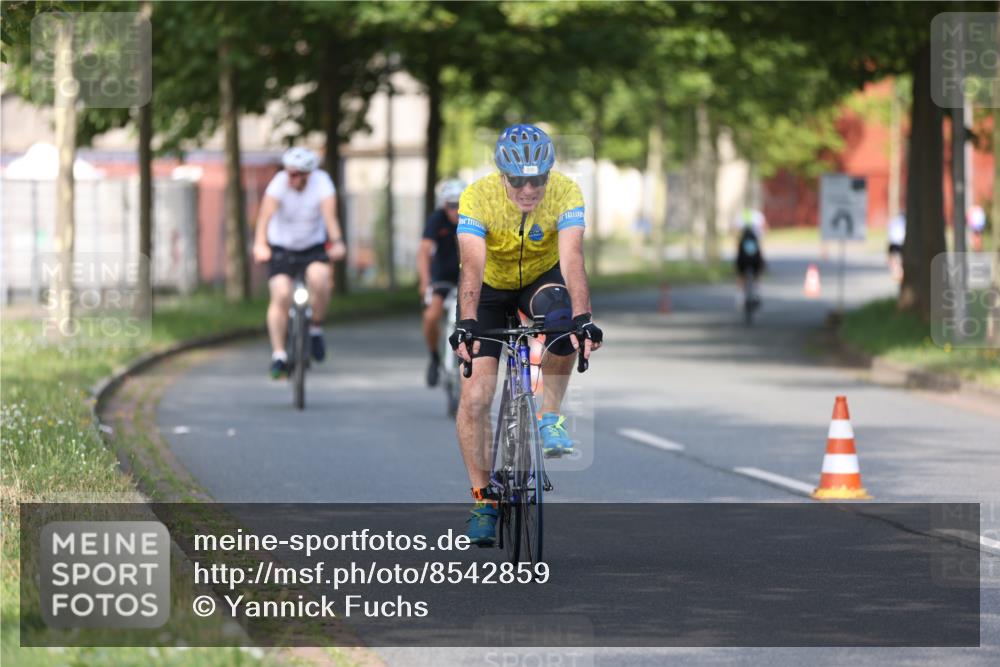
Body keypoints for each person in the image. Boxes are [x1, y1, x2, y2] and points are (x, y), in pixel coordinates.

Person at [448, 124, 603, 545]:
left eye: (538, 179)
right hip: (490, 289)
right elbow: (472, 266)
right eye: (518, 180)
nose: (529, 189)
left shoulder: (567, 192)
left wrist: (584, 316)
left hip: (540, 278)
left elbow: (572, 258)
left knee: (564, 321)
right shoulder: (477, 197)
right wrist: (466, 321)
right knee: (477, 395)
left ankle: (549, 416)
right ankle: (483, 500)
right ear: (502, 175)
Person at [252, 147, 346, 378]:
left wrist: (337, 242)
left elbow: (330, 218)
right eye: (288, 172)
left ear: (308, 174)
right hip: (282, 247)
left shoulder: (322, 183)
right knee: (281, 295)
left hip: (312, 246)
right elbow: (264, 217)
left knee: (321, 280)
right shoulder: (279, 184)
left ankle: (315, 328)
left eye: (296, 174)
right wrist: (260, 244)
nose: (290, 178)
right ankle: (279, 355)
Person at [418, 179, 465, 387]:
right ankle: (434, 357)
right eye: (451, 205)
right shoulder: (436, 219)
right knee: (431, 316)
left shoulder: (474, 218)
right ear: (444, 205)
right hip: (443, 276)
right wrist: (425, 280)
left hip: (468, 277)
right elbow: (424, 251)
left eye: (460, 205)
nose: (455, 210)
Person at [735, 219, 765, 307]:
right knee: (757, 276)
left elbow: (739, 254)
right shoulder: (755, 239)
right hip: (755, 262)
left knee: (741, 277)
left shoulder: (741, 240)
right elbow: (759, 253)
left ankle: (740, 298)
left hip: (743, 262)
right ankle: (757, 293)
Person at [887, 212, 906, 283]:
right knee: (899, 262)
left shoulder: (894, 221)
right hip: (899, 244)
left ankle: (898, 274)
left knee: (897, 261)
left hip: (895, 244)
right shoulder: (898, 221)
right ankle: (899, 274)